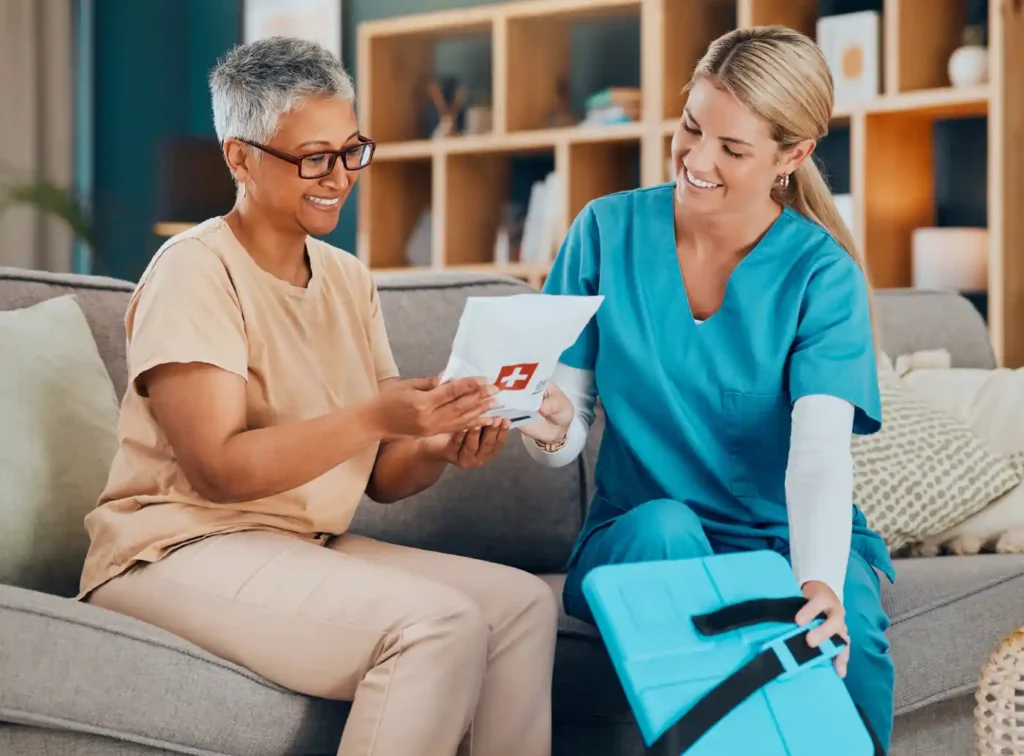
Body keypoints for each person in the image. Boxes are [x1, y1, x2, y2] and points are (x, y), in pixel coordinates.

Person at [77, 36, 557, 756]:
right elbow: (218, 469)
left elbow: (386, 479)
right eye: (313, 158)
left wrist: (437, 443)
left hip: (300, 542)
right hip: (173, 550)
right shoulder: (194, 271)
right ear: (239, 158)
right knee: (437, 624)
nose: (339, 176)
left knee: (521, 606)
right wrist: (375, 414)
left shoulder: (346, 278)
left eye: (351, 150)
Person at [519, 26, 895, 752]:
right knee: (669, 535)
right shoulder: (605, 231)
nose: (696, 160)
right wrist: (548, 429)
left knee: (842, 623)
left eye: (732, 148)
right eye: (691, 127)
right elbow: (565, 429)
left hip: (787, 532)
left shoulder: (822, 276)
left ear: (793, 156)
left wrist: (816, 582)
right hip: (642, 526)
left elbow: (817, 454)